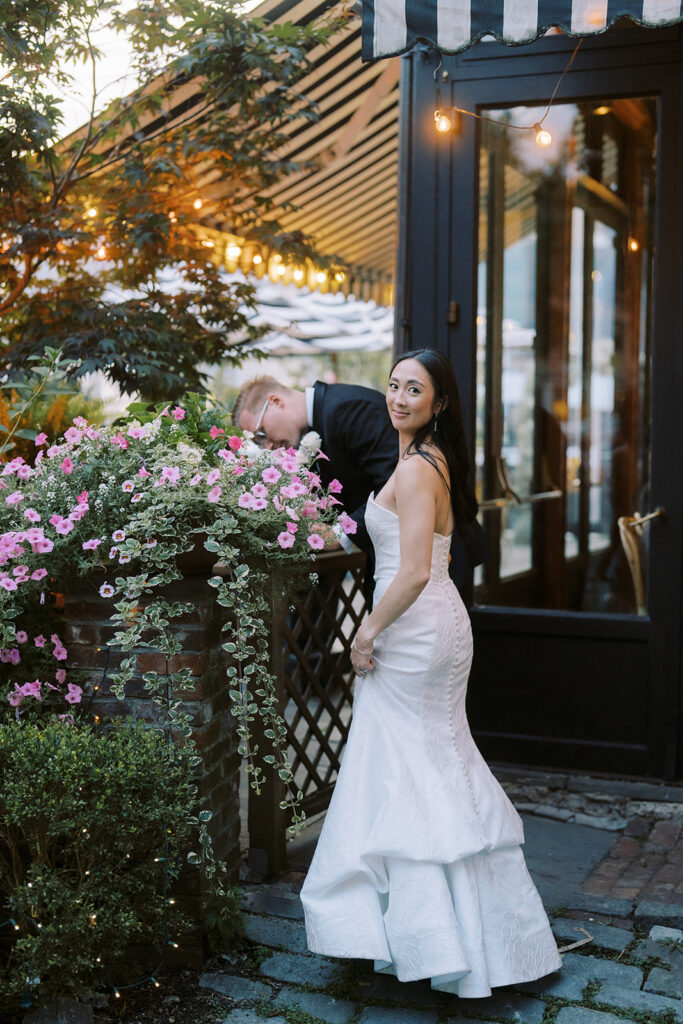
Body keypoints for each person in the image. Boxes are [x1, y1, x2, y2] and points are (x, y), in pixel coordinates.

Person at [300, 349, 562, 998]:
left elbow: (414, 569)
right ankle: (452, 934)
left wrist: (366, 630)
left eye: (413, 390)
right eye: (392, 385)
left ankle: (441, 939)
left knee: (416, 769)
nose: (397, 398)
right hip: (426, 624)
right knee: (422, 766)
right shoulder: (428, 459)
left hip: (414, 631)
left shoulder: (419, 468)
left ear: (439, 402)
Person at [231, 375, 484, 598]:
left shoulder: (350, 409)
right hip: (394, 567)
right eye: (258, 442)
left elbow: (398, 484)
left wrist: (339, 534)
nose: (267, 446)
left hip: (429, 564)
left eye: (261, 433)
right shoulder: (322, 419)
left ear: (275, 401)